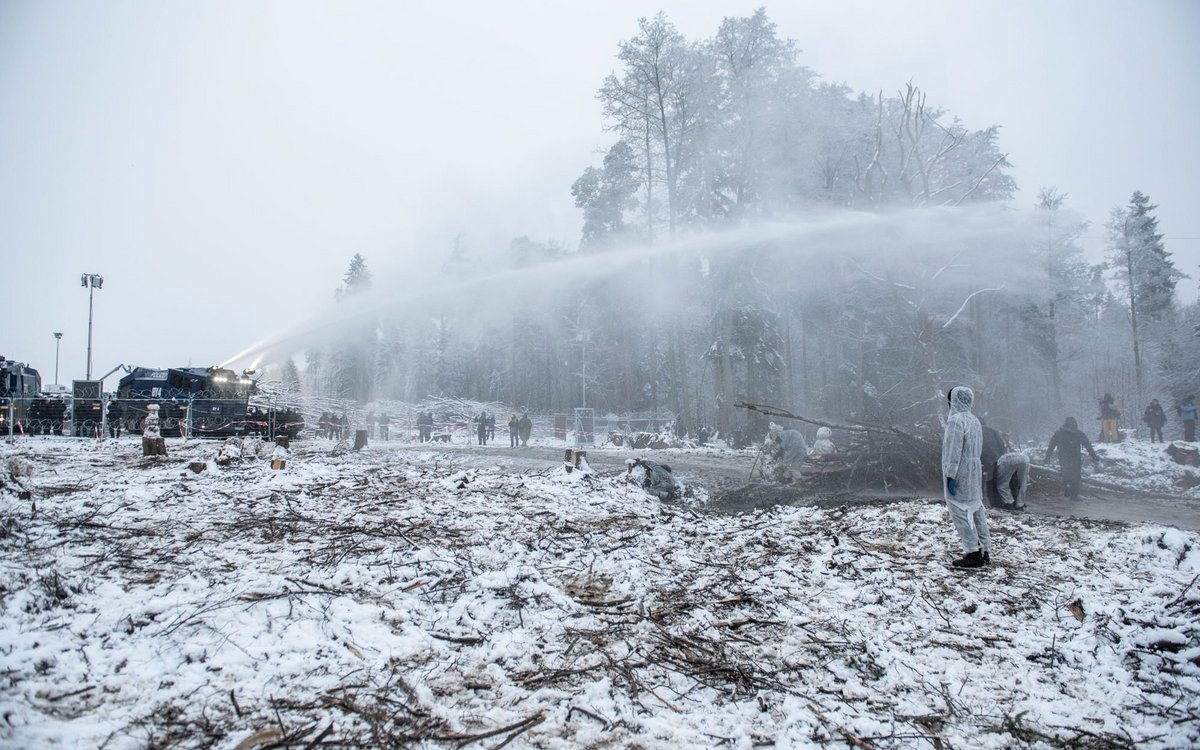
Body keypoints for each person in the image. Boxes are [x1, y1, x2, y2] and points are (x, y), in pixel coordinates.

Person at [941, 387, 990, 568]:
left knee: (960, 512)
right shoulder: (974, 420)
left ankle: (973, 552)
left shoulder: (956, 421)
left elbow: (953, 451)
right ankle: (985, 550)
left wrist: (950, 475)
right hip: (974, 470)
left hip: (960, 470)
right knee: (977, 510)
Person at [1045, 416, 1100, 501]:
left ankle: (1067, 487)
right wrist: (1094, 456)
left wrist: (1047, 457)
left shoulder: (1059, 433)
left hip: (1064, 458)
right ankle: (1074, 495)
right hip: (1075, 458)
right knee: (1076, 475)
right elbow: (1088, 446)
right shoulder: (1078, 433)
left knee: (1066, 473)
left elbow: (1051, 445)